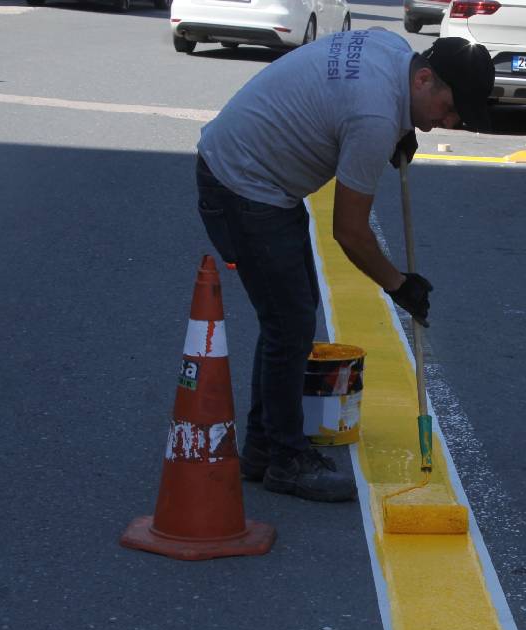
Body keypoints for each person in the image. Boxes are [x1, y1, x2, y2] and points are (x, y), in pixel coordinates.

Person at [194, 31, 495, 502]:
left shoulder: (392, 50)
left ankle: (263, 448)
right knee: (290, 322)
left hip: (254, 172)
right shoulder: (373, 116)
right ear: (423, 78)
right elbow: (350, 232)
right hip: (243, 182)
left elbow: (353, 95)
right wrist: (399, 286)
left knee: (287, 319)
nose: (447, 123)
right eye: (450, 109)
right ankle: (286, 461)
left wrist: (404, 128)